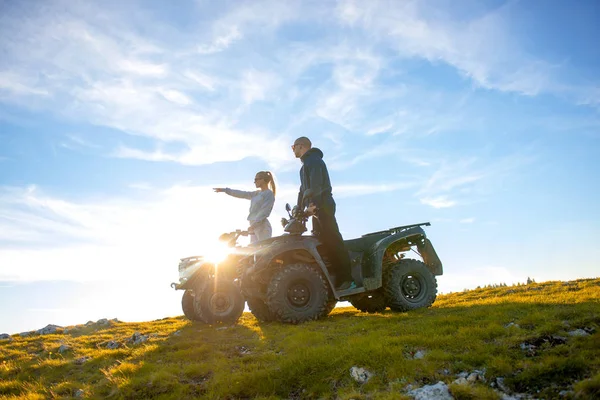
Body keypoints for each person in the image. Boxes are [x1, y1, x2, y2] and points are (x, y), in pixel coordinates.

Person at [292, 136, 355, 290]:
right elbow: (303, 191)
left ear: (301, 146)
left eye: (293, 146)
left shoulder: (313, 161)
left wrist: (313, 205)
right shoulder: (304, 166)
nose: (292, 150)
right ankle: (333, 279)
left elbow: (316, 186)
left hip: (322, 206)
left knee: (333, 240)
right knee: (322, 242)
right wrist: (298, 209)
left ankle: (348, 279)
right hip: (315, 209)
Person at [213, 171, 276, 243]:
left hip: (262, 226)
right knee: (253, 251)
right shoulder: (256, 193)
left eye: (256, 179)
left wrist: (254, 224)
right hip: (253, 226)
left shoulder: (269, 194)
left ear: (262, 180)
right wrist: (225, 190)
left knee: (263, 249)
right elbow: (242, 194)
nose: (254, 182)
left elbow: (265, 211)